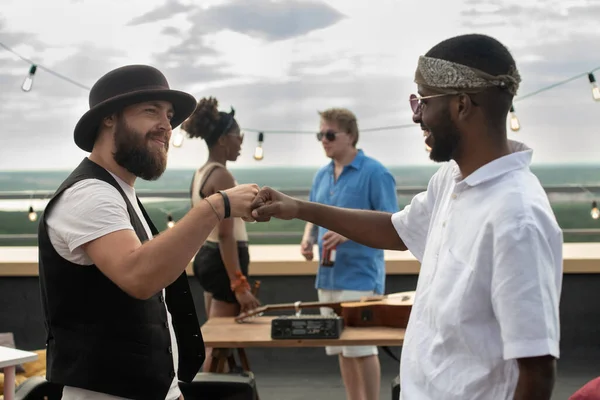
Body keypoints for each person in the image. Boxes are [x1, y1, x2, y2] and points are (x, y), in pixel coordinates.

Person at [250, 34, 562, 400]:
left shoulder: (517, 217)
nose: (416, 115)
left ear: (462, 105)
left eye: (423, 101)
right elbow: (396, 230)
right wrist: (301, 209)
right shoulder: (452, 179)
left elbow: (537, 369)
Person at [37, 64, 259, 400]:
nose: (166, 126)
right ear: (109, 117)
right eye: (150, 111)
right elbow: (139, 275)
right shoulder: (89, 194)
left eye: (169, 115)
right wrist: (216, 206)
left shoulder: (117, 191)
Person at [299, 107, 398, 400]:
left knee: (362, 348)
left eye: (330, 134)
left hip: (360, 277)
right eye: (321, 134)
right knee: (341, 346)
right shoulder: (322, 175)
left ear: (351, 135)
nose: (324, 140)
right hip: (327, 276)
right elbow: (314, 214)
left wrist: (349, 232)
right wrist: (307, 238)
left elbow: (392, 221)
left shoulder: (376, 172)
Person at [181, 97, 260, 372]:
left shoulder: (201, 173)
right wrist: (240, 285)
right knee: (215, 346)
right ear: (225, 139)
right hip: (224, 261)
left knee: (214, 335)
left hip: (207, 257)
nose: (241, 142)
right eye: (239, 136)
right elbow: (227, 235)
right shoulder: (223, 176)